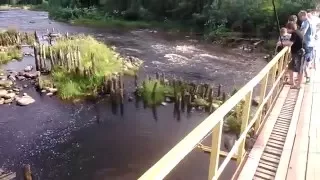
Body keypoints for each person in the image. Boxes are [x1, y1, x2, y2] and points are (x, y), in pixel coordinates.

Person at [281, 22, 304, 89]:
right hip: (295, 53)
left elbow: (290, 43)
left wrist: (281, 43)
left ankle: (299, 85)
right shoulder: (297, 32)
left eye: (287, 29)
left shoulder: (294, 33)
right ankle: (291, 81)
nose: (287, 31)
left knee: (300, 69)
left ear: (290, 28)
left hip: (298, 53)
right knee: (290, 67)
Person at [298, 10, 315, 83]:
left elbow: (303, 32)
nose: (300, 19)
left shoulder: (305, 22)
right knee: (307, 61)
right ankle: (306, 77)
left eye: (300, 17)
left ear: (303, 16)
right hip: (310, 44)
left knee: (303, 62)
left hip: (306, 45)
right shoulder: (311, 21)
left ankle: (306, 77)